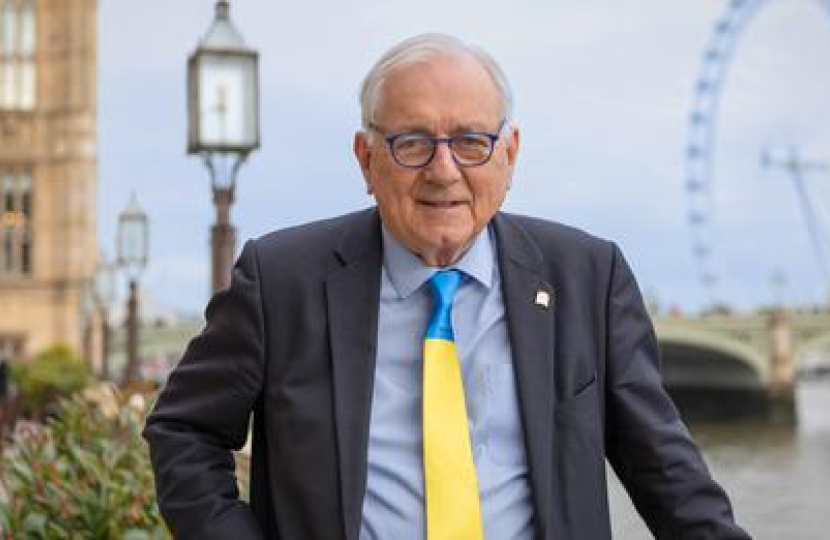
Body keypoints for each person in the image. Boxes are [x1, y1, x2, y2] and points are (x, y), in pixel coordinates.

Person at [144, 33, 750, 540]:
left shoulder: (588, 277)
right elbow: (184, 429)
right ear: (366, 159)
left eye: (469, 141)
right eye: (411, 142)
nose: (443, 170)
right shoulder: (281, 281)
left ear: (509, 155)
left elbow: (669, 477)